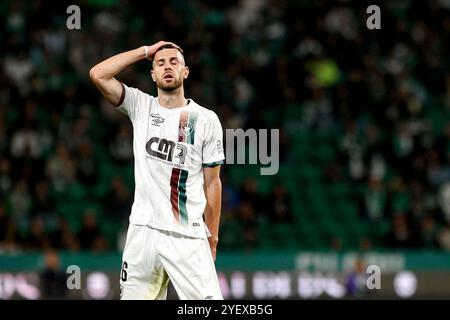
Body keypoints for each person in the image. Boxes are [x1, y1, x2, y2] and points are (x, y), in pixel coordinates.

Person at [89, 41, 225, 300]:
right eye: (160, 63)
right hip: (143, 233)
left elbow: (213, 184)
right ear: (152, 75)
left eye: (174, 62)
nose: (167, 66)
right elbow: (98, 74)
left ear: (185, 72)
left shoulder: (206, 119)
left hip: (186, 236)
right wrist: (145, 51)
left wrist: (213, 236)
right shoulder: (141, 106)